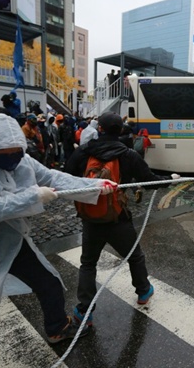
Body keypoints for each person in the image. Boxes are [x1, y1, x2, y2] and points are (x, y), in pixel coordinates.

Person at [0, 113, 116, 367]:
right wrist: (33, 197)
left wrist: (97, 185)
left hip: (11, 242)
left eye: (16, 152)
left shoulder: (22, 161)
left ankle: (57, 327)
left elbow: (54, 179)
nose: (11, 158)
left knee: (50, 282)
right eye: (3, 153)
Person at [65, 112, 180, 327]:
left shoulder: (84, 152)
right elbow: (149, 181)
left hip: (90, 217)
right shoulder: (128, 155)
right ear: (120, 131)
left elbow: (67, 174)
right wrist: (170, 180)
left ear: (99, 129)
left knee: (88, 264)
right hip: (117, 218)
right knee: (134, 256)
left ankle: (84, 311)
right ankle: (143, 291)